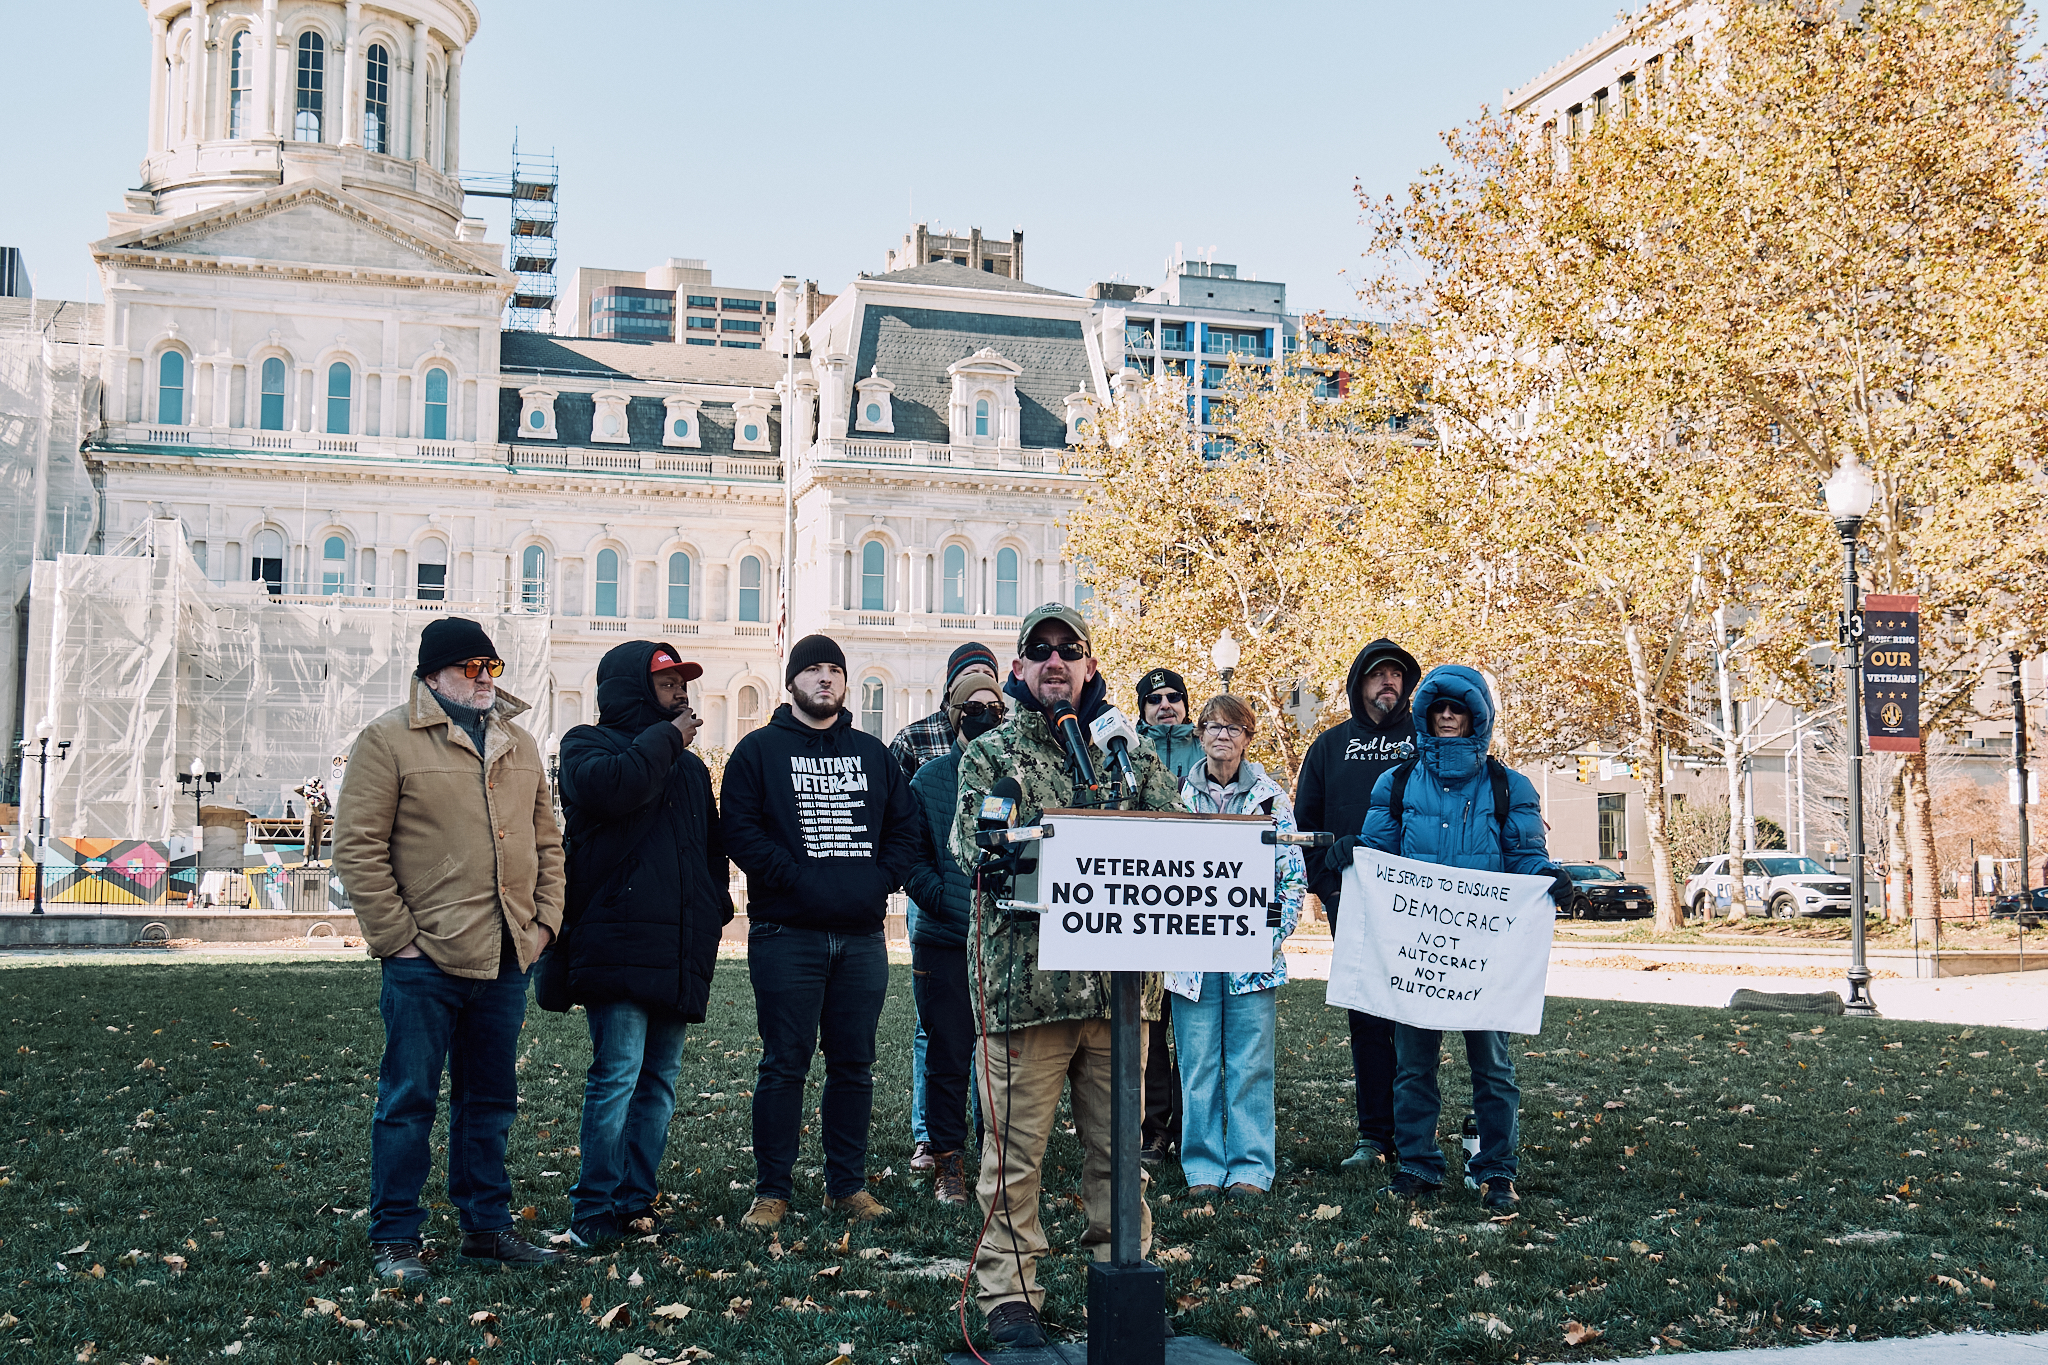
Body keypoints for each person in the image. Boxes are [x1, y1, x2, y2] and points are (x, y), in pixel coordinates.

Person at [949, 604, 1184, 1352]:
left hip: (1117, 994)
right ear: (1019, 668)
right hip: (1029, 992)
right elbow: (974, 847)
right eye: (1039, 651)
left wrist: (1128, 764)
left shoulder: (1127, 750)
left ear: (1089, 667)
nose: (1055, 661)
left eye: (1069, 651)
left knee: (1119, 1153)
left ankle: (1123, 1268)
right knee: (1014, 1157)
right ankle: (1010, 1296)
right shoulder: (992, 753)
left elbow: (1177, 837)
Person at [334, 617, 566, 1284]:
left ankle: (487, 1229)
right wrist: (397, 940)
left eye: (491, 667)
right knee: (408, 1100)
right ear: (433, 675)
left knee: (490, 1101)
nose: (485, 678)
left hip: (505, 959)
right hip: (423, 961)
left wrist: (544, 924)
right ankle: (395, 1238)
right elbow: (358, 848)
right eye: (470, 667)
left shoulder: (519, 744)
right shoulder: (387, 740)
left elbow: (548, 844)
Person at [721, 634, 921, 1232]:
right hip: (787, 934)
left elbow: (903, 830)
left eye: (834, 669)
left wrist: (876, 883)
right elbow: (741, 830)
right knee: (784, 1064)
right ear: (792, 682)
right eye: (813, 670)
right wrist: (797, 880)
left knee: (854, 1065)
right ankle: (771, 1192)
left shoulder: (874, 754)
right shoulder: (758, 752)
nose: (825, 680)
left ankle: (847, 1186)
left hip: (861, 937)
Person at [1357, 665, 1573, 1211]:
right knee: (1413, 1063)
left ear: (1476, 717)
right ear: (1426, 716)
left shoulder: (1509, 786)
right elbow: (1378, 854)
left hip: (1485, 952)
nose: (1448, 717)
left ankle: (1497, 1169)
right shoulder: (1397, 782)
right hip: (1418, 947)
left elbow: (1525, 856)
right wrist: (1351, 855)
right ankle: (1417, 1164)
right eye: (1439, 709)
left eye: (1459, 709)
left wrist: (1546, 876)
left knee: (1493, 1066)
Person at [556, 642, 731, 1248]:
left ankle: (635, 1201)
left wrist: (713, 909)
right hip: (615, 943)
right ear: (632, 688)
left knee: (659, 1080)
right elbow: (615, 790)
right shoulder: (585, 745)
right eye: (665, 683)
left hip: (677, 945)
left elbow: (709, 849)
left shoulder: (686, 766)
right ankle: (592, 1208)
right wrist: (668, 740)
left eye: (683, 682)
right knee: (617, 1076)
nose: (680, 691)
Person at [1169, 694, 1306, 1202]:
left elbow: (1289, 880)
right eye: (1212, 726)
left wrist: (1262, 938)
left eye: (1233, 728)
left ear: (1249, 738)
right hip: (1192, 962)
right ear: (1198, 735)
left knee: (1250, 1066)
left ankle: (1250, 1167)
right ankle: (1202, 1170)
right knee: (1198, 1065)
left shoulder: (1271, 800)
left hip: (1253, 962)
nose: (1221, 735)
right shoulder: (1177, 799)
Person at [1293, 639, 1420, 1173]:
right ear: (1358, 684)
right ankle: (1374, 1136)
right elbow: (1306, 826)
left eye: (1396, 675)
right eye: (1377, 675)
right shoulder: (1329, 747)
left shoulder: (1427, 740)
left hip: (1421, 905)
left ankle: (1415, 1136)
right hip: (1356, 905)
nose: (1387, 683)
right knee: (1367, 1019)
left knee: (1417, 1021)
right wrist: (1330, 887)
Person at [891, 641, 999, 1172]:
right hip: (943, 936)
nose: (985, 719)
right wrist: (942, 902)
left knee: (996, 1057)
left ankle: (992, 1156)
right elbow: (909, 857)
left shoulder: (1013, 779)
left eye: (995, 711)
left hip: (1000, 938)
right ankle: (945, 1158)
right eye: (974, 710)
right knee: (947, 1052)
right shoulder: (929, 777)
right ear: (956, 714)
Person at [1134, 666, 1198, 1166]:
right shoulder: (1124, 750)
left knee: (1193, 1026)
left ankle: (1190, 1124)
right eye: (1153, 699)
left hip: (1196, 902)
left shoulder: (1208, 747)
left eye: (1173, 697)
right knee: (1151, 1029)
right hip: (1145, 902)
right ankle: (1154, 1129)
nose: (1164, 705)